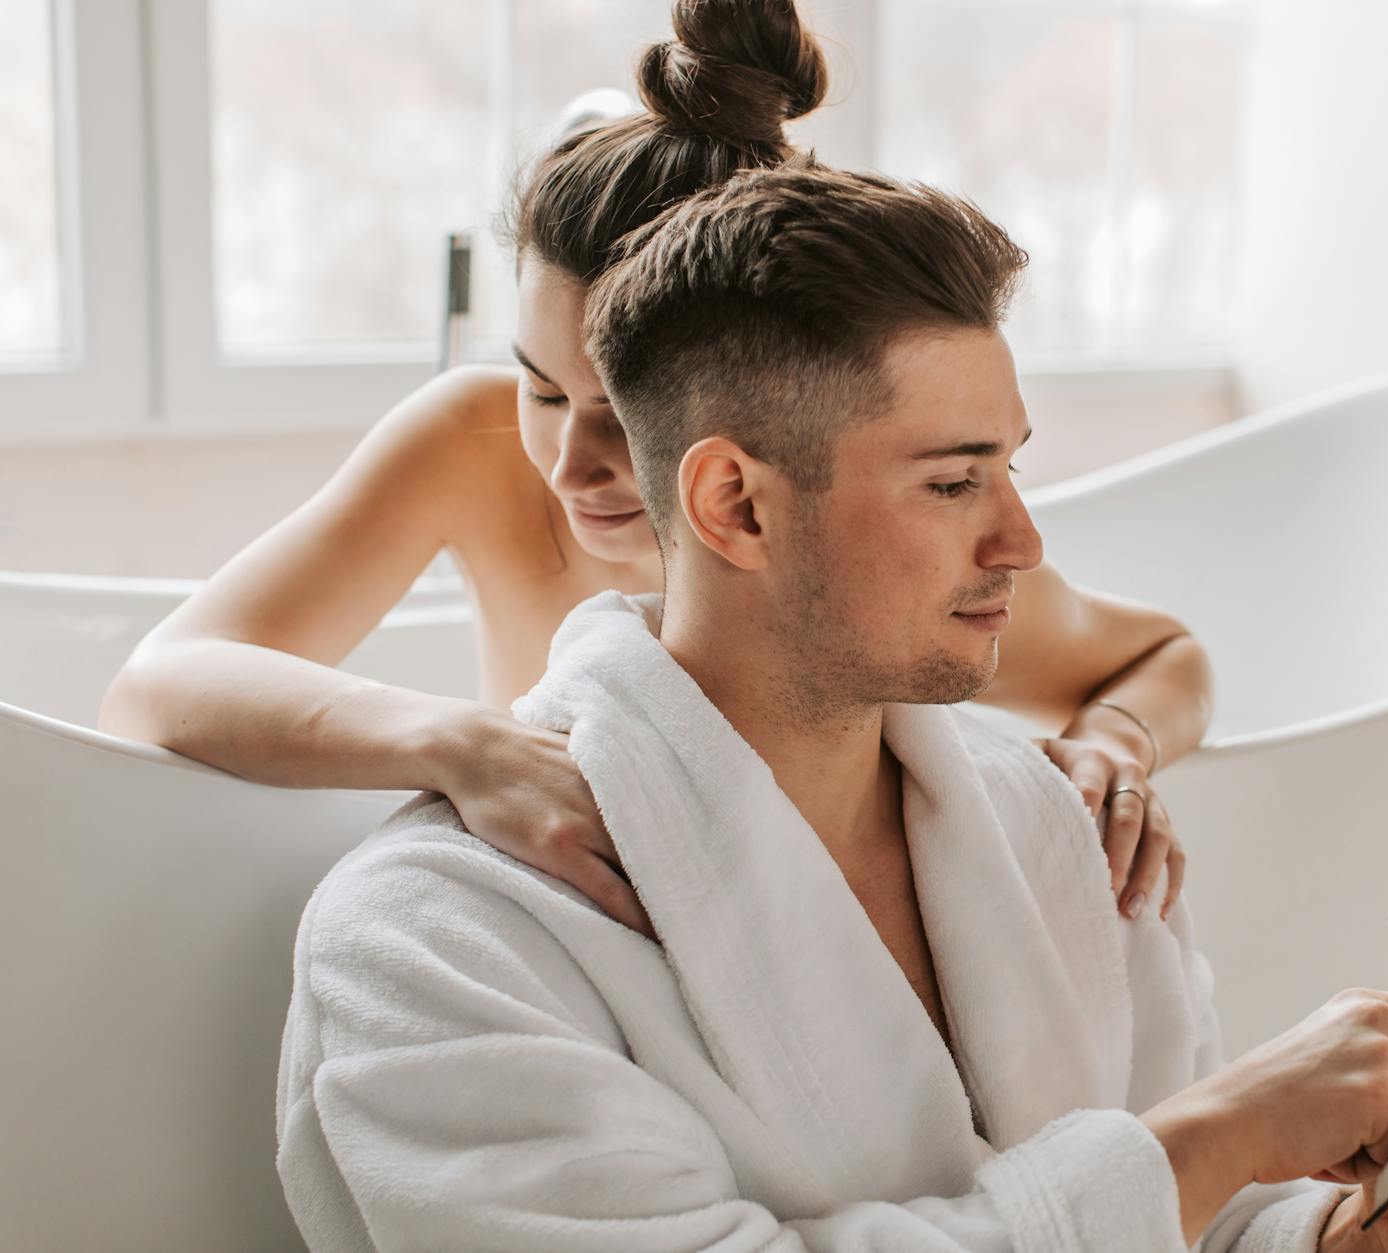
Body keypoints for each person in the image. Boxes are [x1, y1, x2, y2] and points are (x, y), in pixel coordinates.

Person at [275, 158, 1388, 1251]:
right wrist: (1223, 1131)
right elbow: (1167, 1168)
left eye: (1011, 469)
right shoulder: (435, 943)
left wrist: (1349, 1229)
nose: (1019, 538)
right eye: (955, 483)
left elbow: (1193, 1218)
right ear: (736, 504)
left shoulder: (1045, 825)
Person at [97, 0, 1205, 930]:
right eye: (540, 386)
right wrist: (457, 742)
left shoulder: (847, 565)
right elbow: (160, 685)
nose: (569, 461)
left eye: (622, 417)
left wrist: (1112, 745)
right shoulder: (472, 445)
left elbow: (1161, 653)